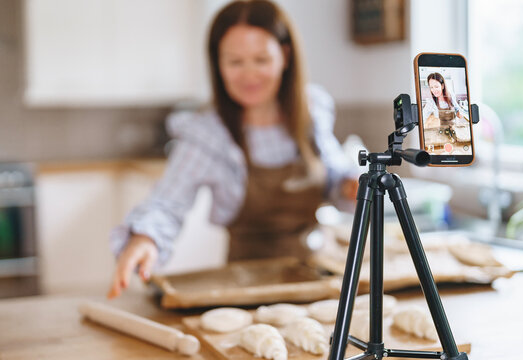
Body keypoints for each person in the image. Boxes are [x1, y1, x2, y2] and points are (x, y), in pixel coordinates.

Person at [107, 0, 359, 299]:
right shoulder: (207, 134)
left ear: (285, 56)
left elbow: (334, 177)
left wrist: (350, 185)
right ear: (218, 64)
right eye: (235, 62)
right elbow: (166, 203)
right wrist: (144, 240)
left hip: (321, 277)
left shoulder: (312, 110)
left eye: (261, 59)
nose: (249, 74)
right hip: (245, 286)